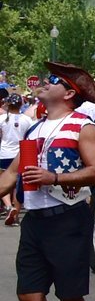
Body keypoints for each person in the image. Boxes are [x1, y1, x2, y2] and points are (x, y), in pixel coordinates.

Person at [1, 63, 95, 301]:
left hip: (68, 218)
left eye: (52, 81)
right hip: (35, 221)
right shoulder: (33, 130)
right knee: (29, 294)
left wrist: (55, 178)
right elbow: (11, 174)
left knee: (71, 296)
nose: (43, 83)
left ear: (70, 92)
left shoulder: (82, 126)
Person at [0, 96, 27, 226]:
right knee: (17, 183)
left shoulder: (2, 119)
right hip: (20, 154)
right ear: (21, 105)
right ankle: (16, 211)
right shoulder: (27, 120)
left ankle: (8, 206)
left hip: (4, 153)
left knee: (3, 180)